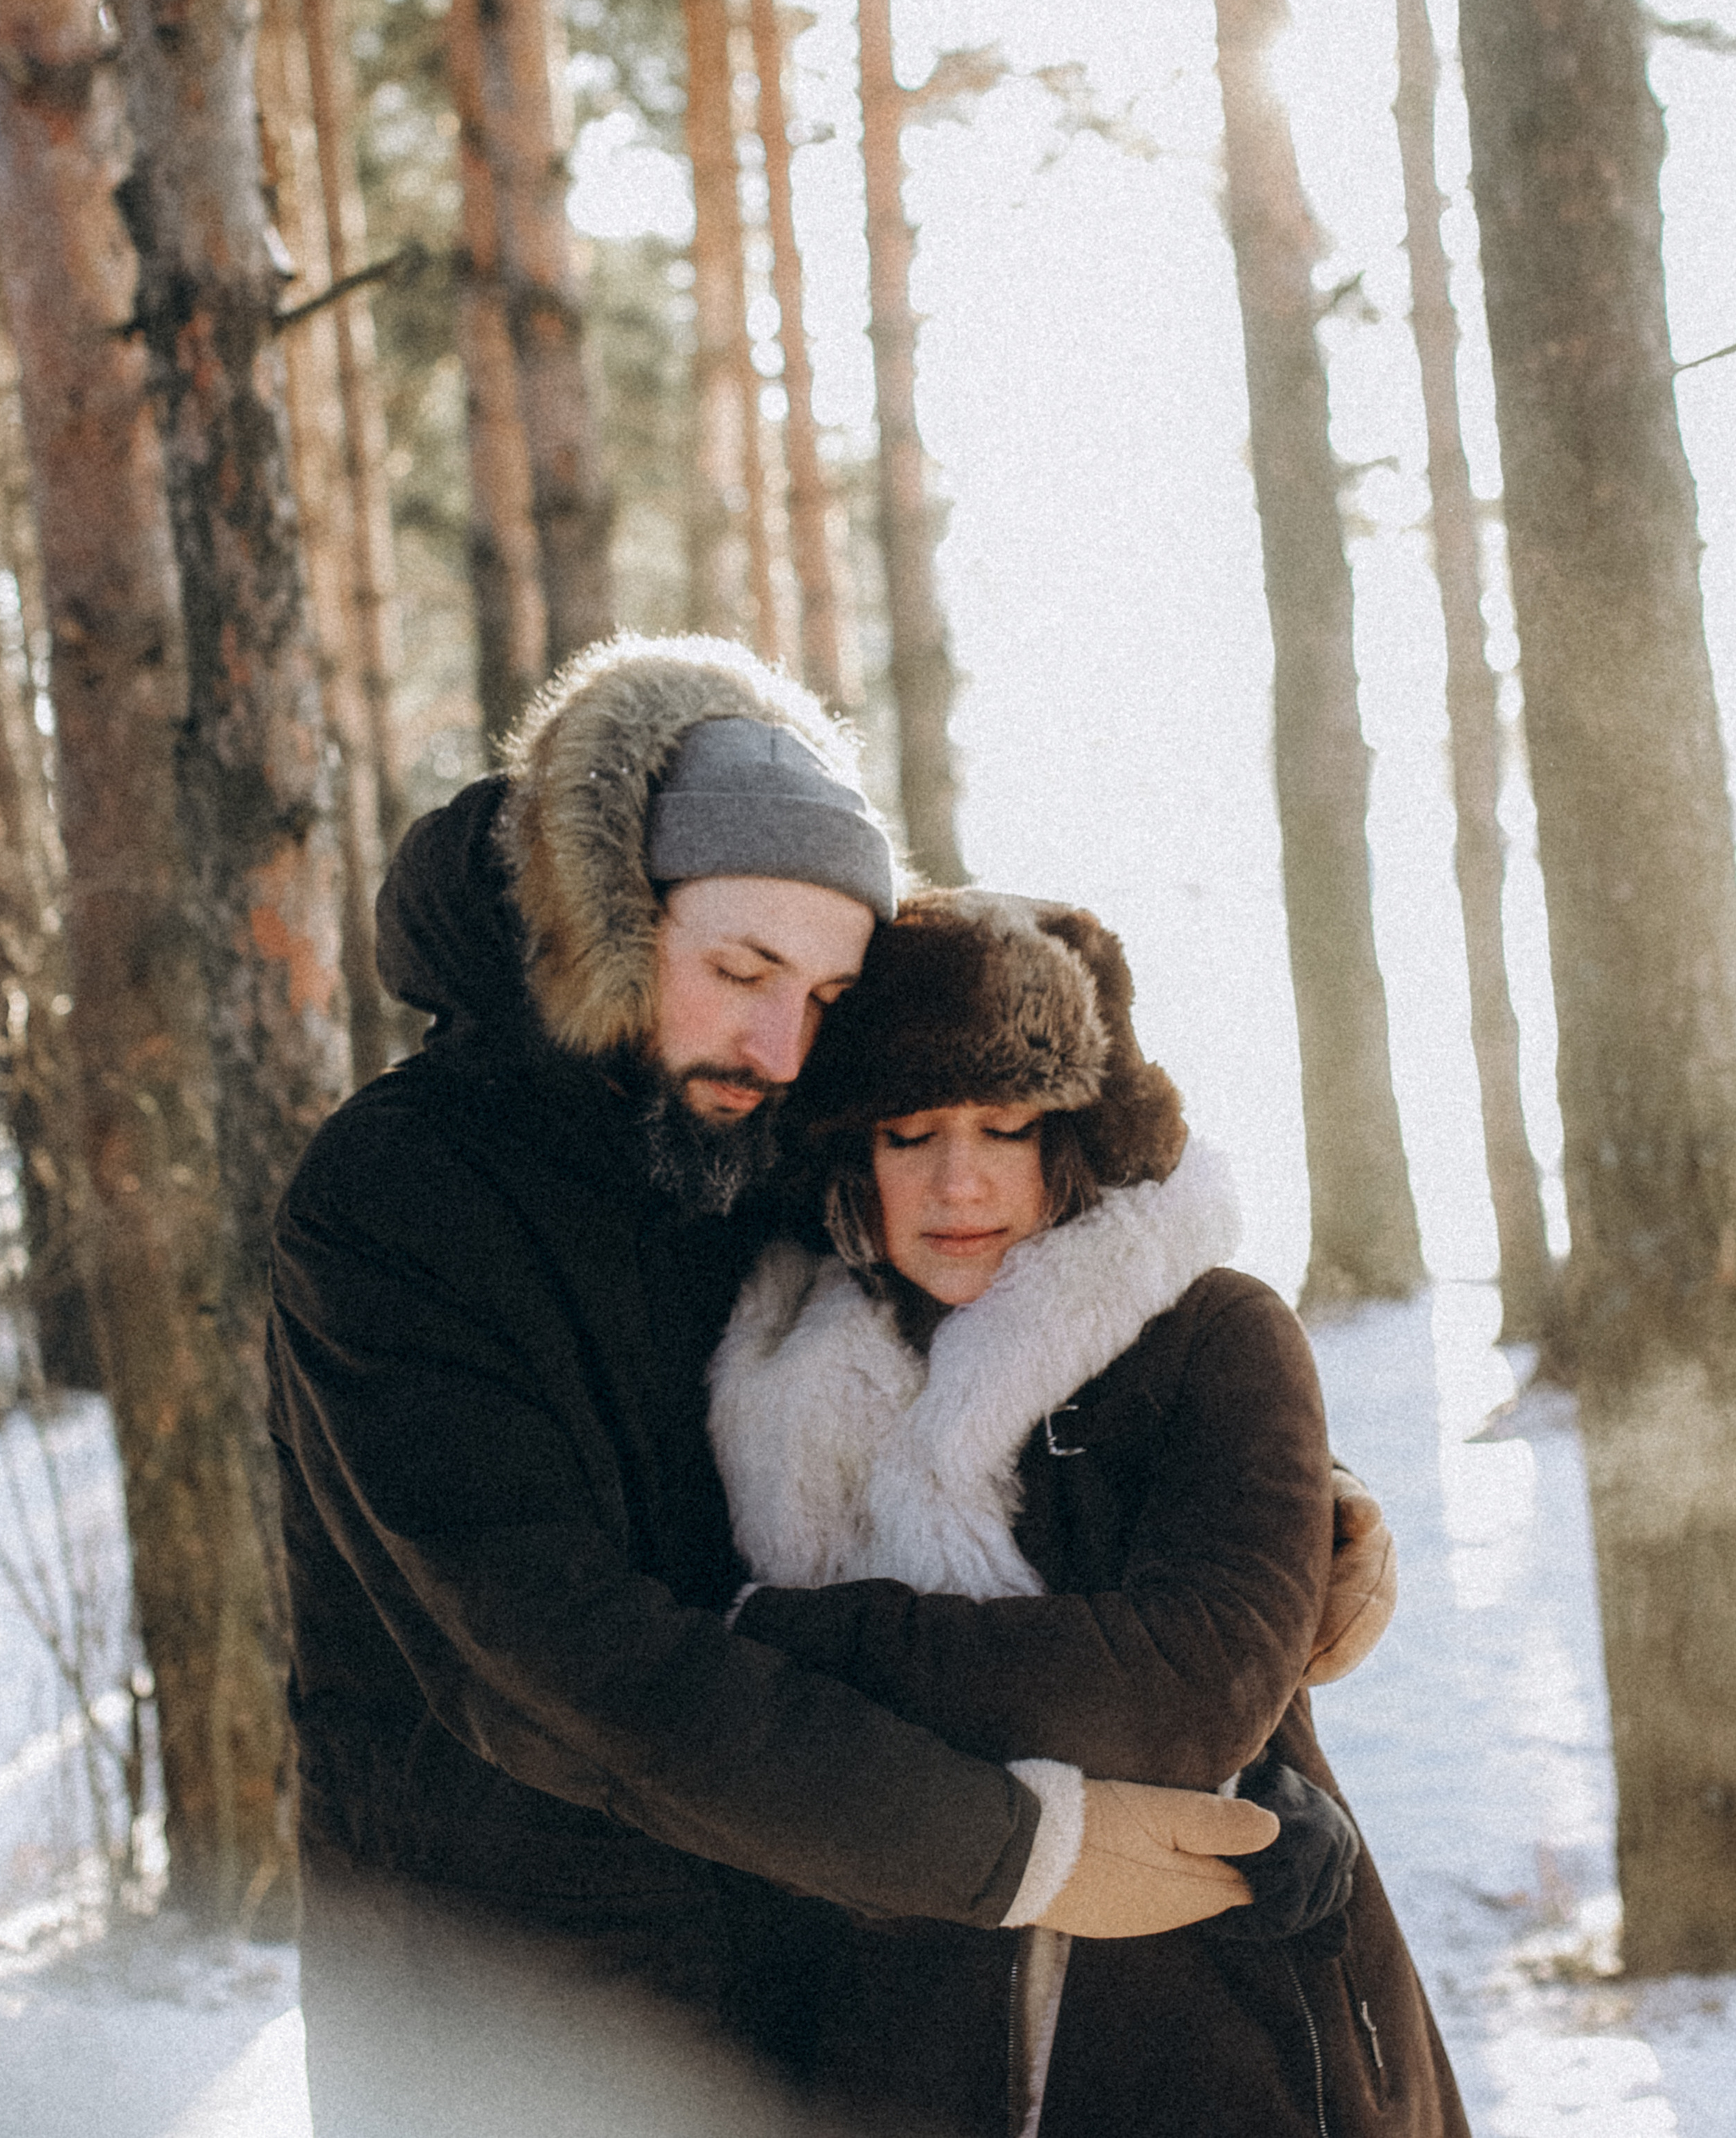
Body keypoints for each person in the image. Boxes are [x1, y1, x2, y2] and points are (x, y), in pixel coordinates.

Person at [269, 635, 1396, 2136]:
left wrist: (1275, 1513)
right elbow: (571, 1664)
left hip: (798, 1952)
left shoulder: (742, 1135)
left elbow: (962, 1378)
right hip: (510, 1999)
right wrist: (1018, 1846)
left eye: (824, 991)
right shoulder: (396, 1196)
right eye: (741, 971)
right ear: (612, 921)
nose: (779, 1040)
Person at [711, 887, 1463, 2138]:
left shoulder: (1214, 1334)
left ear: (1076, 1136)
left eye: (1005, 1126)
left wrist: (801, 1646)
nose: (958, 1181)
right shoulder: (779, 1385)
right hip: (905, 2047)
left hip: (1236, 2033)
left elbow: (1188, 1692)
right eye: (908, 1134)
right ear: (854, 1154)